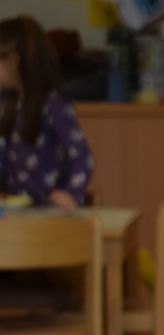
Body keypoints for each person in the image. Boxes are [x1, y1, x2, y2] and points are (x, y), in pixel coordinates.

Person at [0, 15, 93, 209]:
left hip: (49, 214)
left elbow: (82, 156)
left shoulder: (53, 104)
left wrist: (73, 195)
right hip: (16, 213)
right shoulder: (7, 104)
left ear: (14, 61)